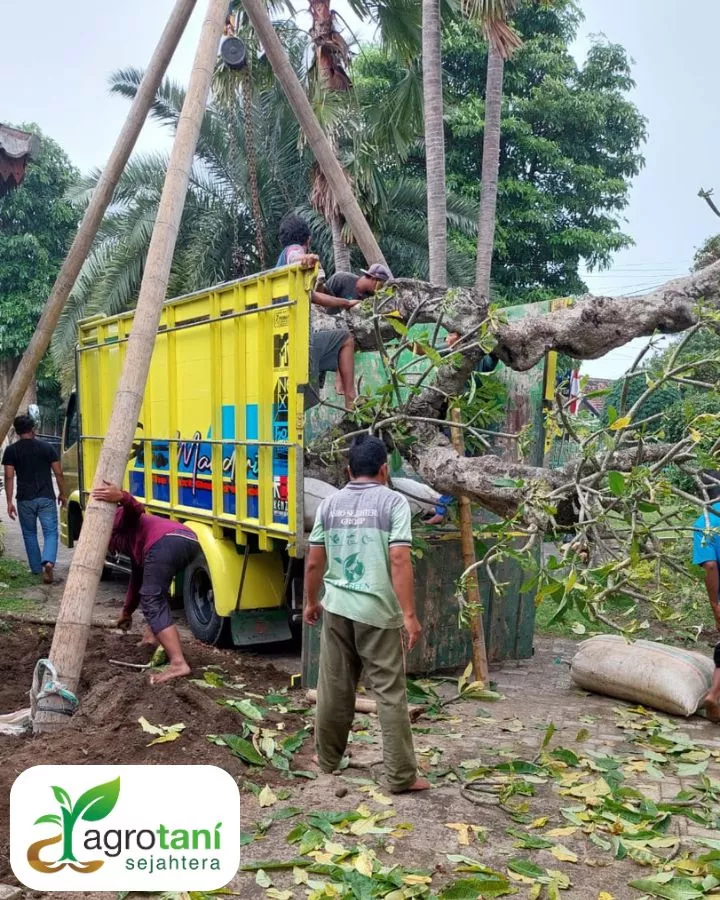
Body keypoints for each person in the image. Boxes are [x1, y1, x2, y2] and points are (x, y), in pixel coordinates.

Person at [304, 434, 431, 793]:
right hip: (376, 612)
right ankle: (401, 777)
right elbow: (399, 558)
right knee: (390, 693)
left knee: (334, 687)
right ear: (383, 469)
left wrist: (311, 601)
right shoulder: (394, 503)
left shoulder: (330, 504)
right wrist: (409, 614)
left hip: (338, 608)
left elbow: (314, 561)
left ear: (348, 469)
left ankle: (327, 760)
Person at [92, 482, 201, 684]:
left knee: (152, 598)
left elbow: (136, 510)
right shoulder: (131, 541)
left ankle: (178, 663)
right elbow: (137, 578)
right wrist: (126, 612)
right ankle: (152, 637)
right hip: (186, 540)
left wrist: (122, 496)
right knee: (154, 592)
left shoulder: (113, 521)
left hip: (165, 542)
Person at [421, 332, 500, 525]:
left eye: (451, 335)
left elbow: (491, 362)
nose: (447, 338)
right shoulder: (447, 352)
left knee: (457, 465)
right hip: (450, 416)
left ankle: (443, 509)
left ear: (461, 338)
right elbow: (424, 350)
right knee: (451, 464)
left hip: (465, 419)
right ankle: (444, 509)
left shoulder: (477, 356)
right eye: (447, 335)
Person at [2, 414, 66, 583]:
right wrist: (62, 492)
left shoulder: (11, 451)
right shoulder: (47, 448)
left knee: (29, 534)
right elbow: (58, 472)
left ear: (16, 432)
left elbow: (9, 477)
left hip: (24, 499)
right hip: (46, 497)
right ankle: (49, 561)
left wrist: (9, 502)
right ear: (33, 429)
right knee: (51, 532)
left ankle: (37, 569)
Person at [692, 470, 720, 720]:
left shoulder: (704, 522)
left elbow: (710, 566)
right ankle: (714, 695)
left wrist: (715, 604)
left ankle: (713, 694)